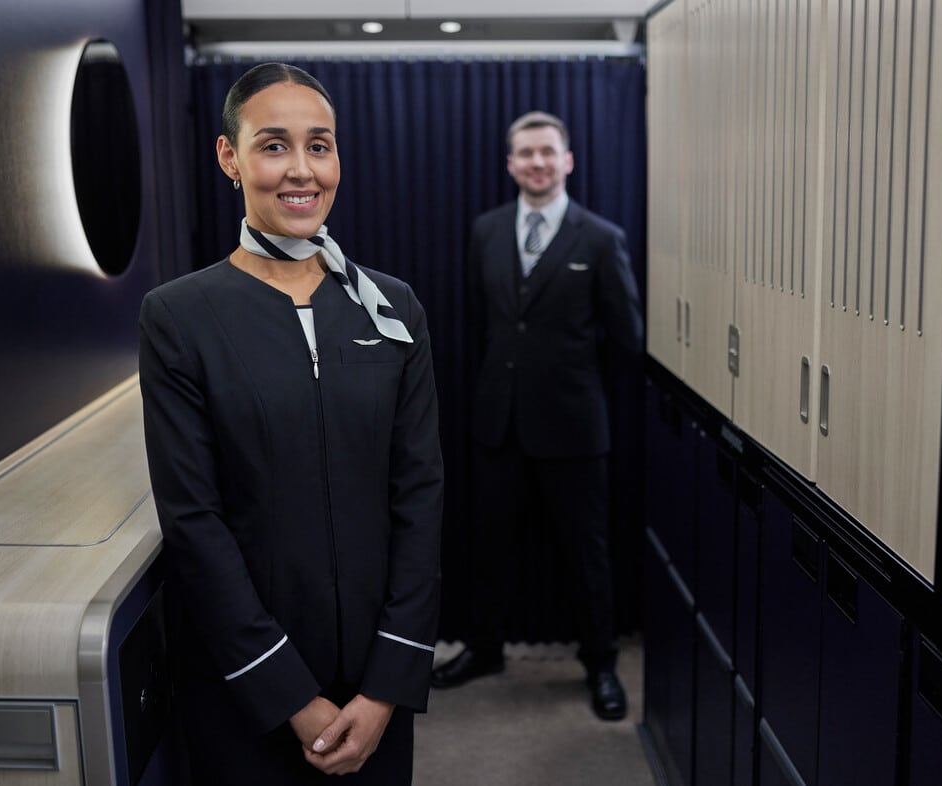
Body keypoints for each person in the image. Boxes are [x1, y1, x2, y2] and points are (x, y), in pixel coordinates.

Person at [139, 63, 443, 784]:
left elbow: (421, 497)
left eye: (320, 145)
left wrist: (385, 686)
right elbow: (194, 519)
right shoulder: (178, 315)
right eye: (273, 146)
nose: (302, 170)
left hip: (376, 676)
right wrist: (291, 697)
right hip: (245, 684)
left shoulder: (393, 306)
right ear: (229, 158)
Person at [430, 111, 643, 721]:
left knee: (587, 555)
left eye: (548, 152)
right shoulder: (486, 231)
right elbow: (483, 324)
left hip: (575, 430)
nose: (538, 163)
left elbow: (628, 341)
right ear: (510, 164)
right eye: (526, 153)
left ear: (568, 160)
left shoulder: (601, 238)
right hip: (497, 423)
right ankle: (486, 649)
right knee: (488, 546)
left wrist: (570, 384)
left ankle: (601, 664)